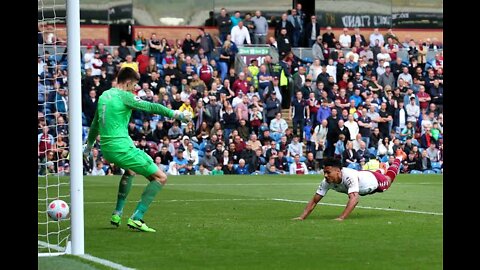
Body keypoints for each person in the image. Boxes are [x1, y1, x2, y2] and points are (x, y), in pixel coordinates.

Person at [83, 67, 191, 232]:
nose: (134, 89)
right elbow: (151, 107)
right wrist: (176, 114)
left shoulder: (104, 96)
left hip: (107, 148)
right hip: (121, 148)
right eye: (133, 85)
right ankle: (137, 218)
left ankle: (117, 213)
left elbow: (95, 124)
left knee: (130, 171)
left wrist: (88, 147)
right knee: (160, 177)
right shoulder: (125, 96)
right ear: (127, 82)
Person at [292, 154, 403, 221]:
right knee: (375, 173)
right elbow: (315, 199)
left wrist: (341, 217)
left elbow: (354, 199)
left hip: (375, 181)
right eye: (324, 172)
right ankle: (380, 169)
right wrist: (302, 217)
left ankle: (398, 158)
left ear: (338, 171)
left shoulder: (349, 176)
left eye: (328, 172)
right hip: (362, 174)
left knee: (388, 180)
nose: (325, 175)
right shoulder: (327, 180)